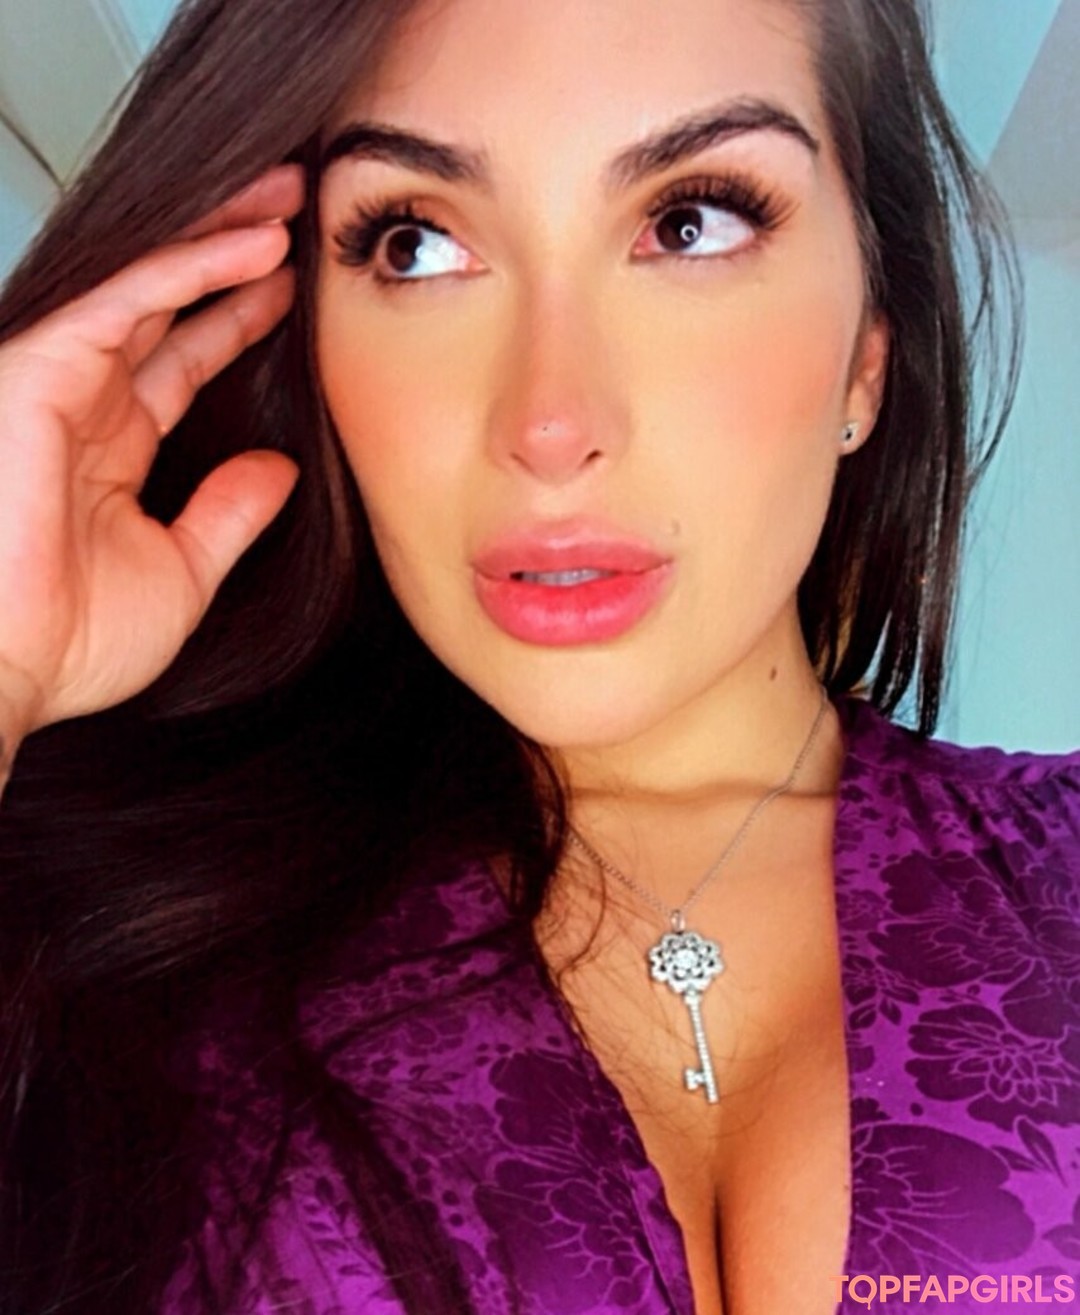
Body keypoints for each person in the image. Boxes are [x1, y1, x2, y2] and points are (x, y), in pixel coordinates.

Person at [0, 0, 1076, 1312]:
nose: (551, 424)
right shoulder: (109, 935)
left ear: (864, 355)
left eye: (691, 223)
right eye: (417, 244)